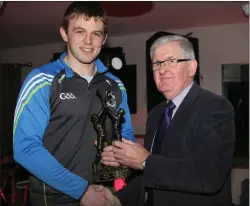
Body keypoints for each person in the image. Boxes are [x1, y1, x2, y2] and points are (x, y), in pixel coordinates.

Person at [12, 2, 134, 206]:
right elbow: (25, 148)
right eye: (80, 31)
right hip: (54, 199)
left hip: (105, 195)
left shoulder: (116, 84)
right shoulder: (42, 80)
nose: (88, 41)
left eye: (96, 33)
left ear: (104, 39)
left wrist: (119, 155)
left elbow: (126, 134)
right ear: (64, 33)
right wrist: (81, 190)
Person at [101, 35, 236, 206]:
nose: (162, 70)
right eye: (157, 64)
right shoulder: (156, 114)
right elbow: (150, 178)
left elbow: (208, 176)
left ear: (191, 68)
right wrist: (116, 199)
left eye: (171, 61)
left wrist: (144, 161)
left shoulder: (215, 107)